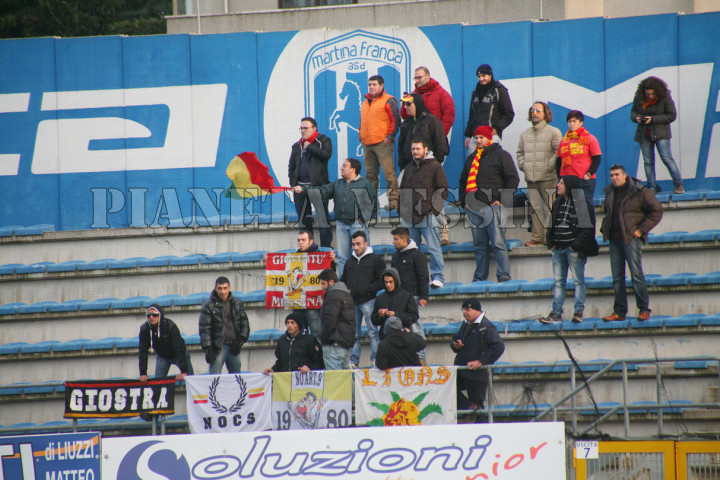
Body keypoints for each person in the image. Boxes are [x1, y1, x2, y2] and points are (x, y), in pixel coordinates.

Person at [293, 158, 376, 277]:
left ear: (353, 170)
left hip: (358, 225)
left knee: (363, 256)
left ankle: (363, 281)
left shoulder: (365, 184)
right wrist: (304, 189)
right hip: (341, 224)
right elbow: (322, 191)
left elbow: (374, 204)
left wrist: (363, 218)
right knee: (342, 258)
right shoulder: (338, 183)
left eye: (344, 166)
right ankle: (343, 285)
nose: (341, 168)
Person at [600, 164, 663, 322]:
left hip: (631, 239)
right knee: (617, 278)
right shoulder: (609, 191)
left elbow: (657, 211)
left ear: (624, 175)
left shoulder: (639, 191)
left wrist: (641, 230)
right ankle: (619, 312)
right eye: (612, 175)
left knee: (636, 274)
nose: (614, 178)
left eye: (617, 175)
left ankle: (644, 309)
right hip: (614, 240)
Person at [459, 125, 519, 283]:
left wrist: (502, 200)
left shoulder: (501, 155)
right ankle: (480, 277)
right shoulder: (471, 158)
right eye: (476, 138)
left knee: (498, 242)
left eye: (481, 138)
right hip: (473, 207)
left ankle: (504, 274)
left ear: (489, 138)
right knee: (479, 245)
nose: (478, 140)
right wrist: (463, 201)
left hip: (492, 206)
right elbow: (463, 180)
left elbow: (513, 179)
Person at [539, 175, 599, 324]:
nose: (558, 185)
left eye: (561, 183)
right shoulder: (558, 201)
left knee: (578, 281)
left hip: (573, 250)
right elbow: (551, 225)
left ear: (570, 186)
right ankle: (556, 313)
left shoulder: (581, 202)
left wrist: (574, 246)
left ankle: (578, 311)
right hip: (558, 249)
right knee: (559, 282)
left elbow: (588, 230)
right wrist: (550, 241)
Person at [398, 138, 448, 288]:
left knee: (434, 248)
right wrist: (402, 209)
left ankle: (437, 277)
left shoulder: (435, 166)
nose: (415, 152)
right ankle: (415, 280)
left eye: (418, 149)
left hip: (427, 216)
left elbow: (443, 190)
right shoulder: (409, 167)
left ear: (426, 149)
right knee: (411, 251)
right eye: (413, 149)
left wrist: (433, 211)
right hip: (409, 217)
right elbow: (403, 190)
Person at [516, 101, 562, 246]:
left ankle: (551, 238)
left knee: (550, 209)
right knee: (535, 209)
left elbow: (558, 152)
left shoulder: (554, 132)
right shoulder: (525, 134)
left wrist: (549, 166)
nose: (534, 113)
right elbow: (519, 153)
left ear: (545, 113)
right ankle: (538, 237)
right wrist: (524, 166)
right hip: (531, 178)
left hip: (548, 177)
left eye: (538, 111)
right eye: (533, 111)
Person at [631, 76, 684, 194]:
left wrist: (653, 119)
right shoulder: (639, 97)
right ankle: (652, 186)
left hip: (661, 132)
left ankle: (678, 184)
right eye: (647, 94)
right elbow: (633, 112)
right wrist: (637, 118)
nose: (650, 96)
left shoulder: (665, 97)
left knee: (667, 158)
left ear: (658, 91)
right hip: (644, 133)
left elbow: (671, 115)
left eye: (652, 94)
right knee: (648, 161)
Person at [340, 231, 386, 368]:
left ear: (366, 243)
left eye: (358, 244)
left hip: (369, 301)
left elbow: (382, 281)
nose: (355, 247)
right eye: (353, 244)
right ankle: (354, 361)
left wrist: (368, 289)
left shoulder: (376, 260)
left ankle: (376, 359)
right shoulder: (349, 262)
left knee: (373, 332)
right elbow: (343, 281)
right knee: (354, 334)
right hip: (352, 303)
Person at [451, 298, 505, 411]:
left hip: (477, 374)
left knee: (478, 405)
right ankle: (469, 409)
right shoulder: (466, 324)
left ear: (477, 311)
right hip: (463, 371)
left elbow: (498, 346)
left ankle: (476, 419)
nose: (464, 312)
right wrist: (455, 345)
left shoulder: (486, 326)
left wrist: (482, 361)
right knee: (448, 389)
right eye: (463, 309)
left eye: (468, 309)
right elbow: (455, 339)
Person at [288, 116, 333, 247]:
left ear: (314, 129)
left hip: (317, 187)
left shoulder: (323, 141)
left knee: (323, 218)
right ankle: (307, 246)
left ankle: (325, 247)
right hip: (300, 188)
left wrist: (310, 147)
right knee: (303, 220)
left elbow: (326, 155)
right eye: (301, 128)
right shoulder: (297, 146)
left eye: (306, 128)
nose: (303, 131)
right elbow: (292, 167)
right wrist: (293, 184)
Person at [359, 74, 401, 210]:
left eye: (374, 84)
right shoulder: (365, 102)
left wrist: (389, 136)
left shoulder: (389, 100)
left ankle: (394, 202)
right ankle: (372, 205)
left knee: (389, 174)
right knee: (370, 176)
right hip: (367, 143)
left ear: (381, 86)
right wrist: (361, 135)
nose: (371, 87)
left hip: (383, 143)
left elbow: (396, 120)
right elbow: (362, 121)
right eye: (369, 84)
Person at [390, 227, 429, 364]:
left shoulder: (418, 255)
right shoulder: (395, 256)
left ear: (405, 239)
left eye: (396, 239)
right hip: (399, 298)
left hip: (415, 297)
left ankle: (421, 358)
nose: (393, 242)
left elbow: (423, 277)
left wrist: (424, 296)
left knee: (416, 328)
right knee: (402, 328)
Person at [199, 276, 250, 374]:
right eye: (220, 288)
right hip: (218, 347)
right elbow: (204, 329)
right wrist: (208, 349)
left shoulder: (237, 303)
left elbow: (245, 324)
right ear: (215, 288)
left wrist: (240, 341)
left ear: (229, 288)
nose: (223, 291)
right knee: (215, 379)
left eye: (225, 288)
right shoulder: (208, 305)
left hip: (234, 346)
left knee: (236, 379)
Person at [464, 64, 514, 151]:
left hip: (490, 136)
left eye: (483, 76)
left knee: (490, 163)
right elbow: (472, 116)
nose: (481, 79)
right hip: (475, 137)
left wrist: (496, 129)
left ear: (490, 75)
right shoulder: (475, 92)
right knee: (472, 163)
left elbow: (509, 114)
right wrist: (468, 135)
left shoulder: (499, 90)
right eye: (479, 76)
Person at [139, 304, 193, 382]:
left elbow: (178, 348)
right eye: (149, 315)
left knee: (190, 380)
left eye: (154, 315)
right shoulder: (144, 329)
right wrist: (143, 373)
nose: (151, 317)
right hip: (162, 356)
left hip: (178, 354)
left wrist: (184, 371)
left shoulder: (170, 326)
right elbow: (142, 351)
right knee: (158, 383)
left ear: (160, 316)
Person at [397, 93, 448, 171]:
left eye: (408, 104)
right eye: (404, 104)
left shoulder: (432, 121)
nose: (405, 106)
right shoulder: (405, 123)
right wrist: (402, 166)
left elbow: (441, 144)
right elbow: (401, 146)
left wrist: (435, 164)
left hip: (429, 168)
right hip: (409, 168)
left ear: (417, 104)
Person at [400, 66, 455, 137]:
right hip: (418, 138)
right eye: (415, 78)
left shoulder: (441, 93)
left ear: (428, 76)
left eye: (419, 77)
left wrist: (440, 135)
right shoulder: (413, 95)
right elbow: (405, 117)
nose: (417, 80)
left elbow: (449, 116)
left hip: (435, 137)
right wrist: (405, 103)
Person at [556, 110, 601, 195]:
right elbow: (558, 161)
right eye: (569, 121)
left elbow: (597, 159)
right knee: (568, 206)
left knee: (583, 206)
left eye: (574, 121)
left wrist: (588, 174)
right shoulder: (564, 141)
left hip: (583, 180)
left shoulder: (590, 138)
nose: (571, 124)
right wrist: (560, 177)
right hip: (567, 180)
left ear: (581, 123)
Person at [317, 268, 355, 370]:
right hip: (344, 345)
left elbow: (330, 321)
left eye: (323, 284)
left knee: (335, 382)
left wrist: (324, 339)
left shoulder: (332, 296)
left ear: (331, 282)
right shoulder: (346, 295)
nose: (322, 287)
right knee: (345, 381)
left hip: (333, 345)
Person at [371, 268, 419, 339]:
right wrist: (379, 314)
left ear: (396, 281)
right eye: (386, 282)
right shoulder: (380, 298)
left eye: (391, 282)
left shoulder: (407, 296)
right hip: (385, 339)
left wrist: (396, 315)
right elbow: (374, 320)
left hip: (403, 337)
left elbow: (414, 317)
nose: (388, 285)